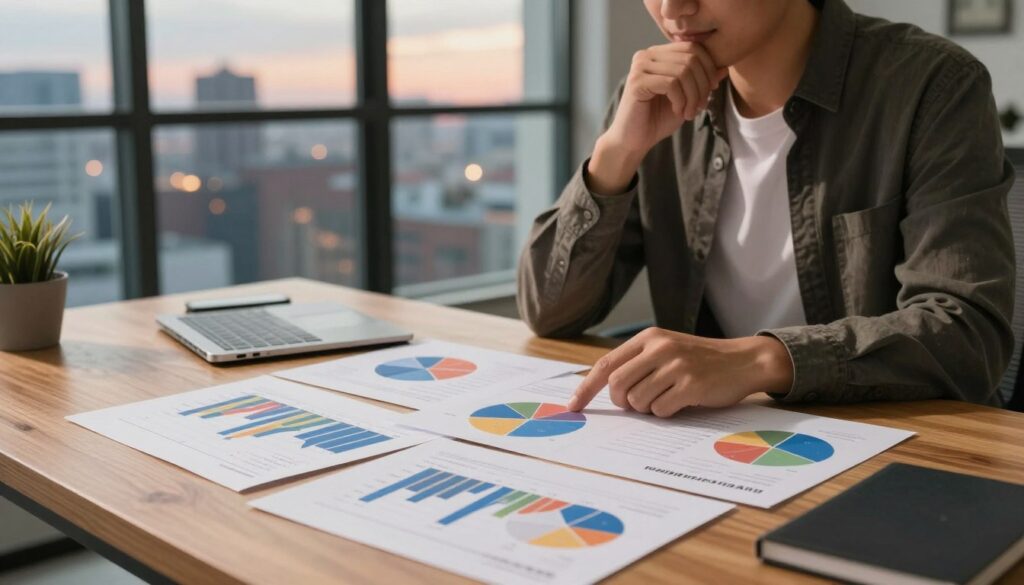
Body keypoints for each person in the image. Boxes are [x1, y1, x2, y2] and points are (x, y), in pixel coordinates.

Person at [516, 0, 1015, 417]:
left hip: (903, 450)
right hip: (720, 446)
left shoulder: (933, 85)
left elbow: (967, 335)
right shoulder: (651, 100)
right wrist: (615, 154)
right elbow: (549, 313)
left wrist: (756, 361)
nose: (672, 9)